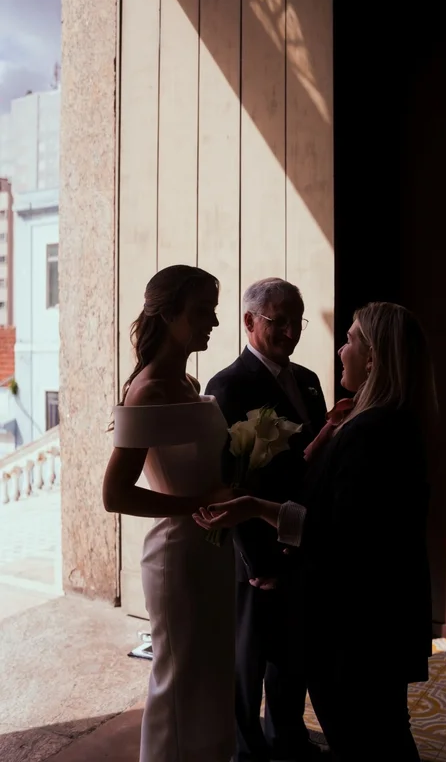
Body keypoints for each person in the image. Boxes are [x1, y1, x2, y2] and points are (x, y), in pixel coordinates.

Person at [195, 301, 437, 762]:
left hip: (355, 619)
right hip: (377, 611)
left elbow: (337, 532)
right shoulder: (387, 420)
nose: (340, 350)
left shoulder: (371, 431)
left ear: (374, 359)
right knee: (383, 728)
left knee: (364, 735)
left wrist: (254, 507)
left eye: (349, 340)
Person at [102, 265, 236, 762]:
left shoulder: (188, 380)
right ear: (170, 313)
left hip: (213, 550)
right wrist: (197, 506)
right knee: (180, 682)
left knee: (213, 675)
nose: (214, 323)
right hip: (177, 557)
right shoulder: (149, 391)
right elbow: (115, 495)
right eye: (203, 311)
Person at [205, 278, 328, 762]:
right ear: (250, 322)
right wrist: (254, 559)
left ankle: (287, 738)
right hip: (253, 550)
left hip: (301, 536)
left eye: (297, 319)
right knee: (248, 662)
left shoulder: (309, 378)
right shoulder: (228, 385)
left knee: (291, 655)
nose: (292, 331)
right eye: (280, 321)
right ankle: (246, 749)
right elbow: (228, 481)